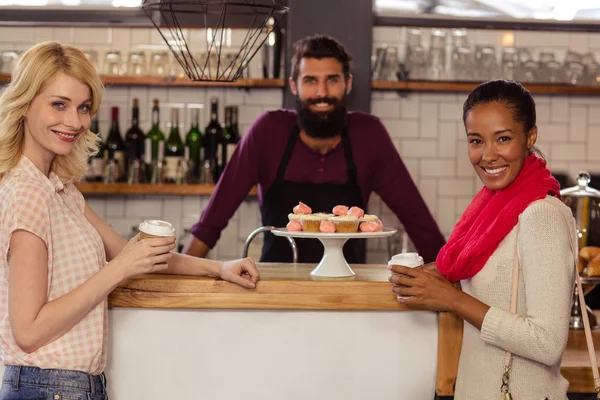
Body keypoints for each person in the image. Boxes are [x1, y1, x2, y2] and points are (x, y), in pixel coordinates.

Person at [0, 41, 259, 400]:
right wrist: (119, 269)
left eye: (84, 107)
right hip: (47, 388)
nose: (74, 121)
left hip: (70, 387)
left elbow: (130, 251)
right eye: (58, 104)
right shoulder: (28, 192)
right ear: (25, 104)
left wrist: (218, 268)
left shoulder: (59, 190)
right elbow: (28, 330)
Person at [183, 34, 445, 264]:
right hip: (275, 284)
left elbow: (417, 221)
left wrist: (451, 284)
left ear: (348, 83)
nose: (322, 92)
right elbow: (212, 221)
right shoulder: (268, 131)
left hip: (346, 286)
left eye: (332, 80)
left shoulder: (369, 135)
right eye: (310, 81)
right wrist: (176, 276)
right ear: (294, 85)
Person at [389, 80, 576, 399]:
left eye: (503, 139)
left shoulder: (540, 215)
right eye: (476, 141)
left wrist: (450, 299)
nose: (488, 155)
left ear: (530, 136)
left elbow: (546, 342)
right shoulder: (491, 210)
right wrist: (439, 278)